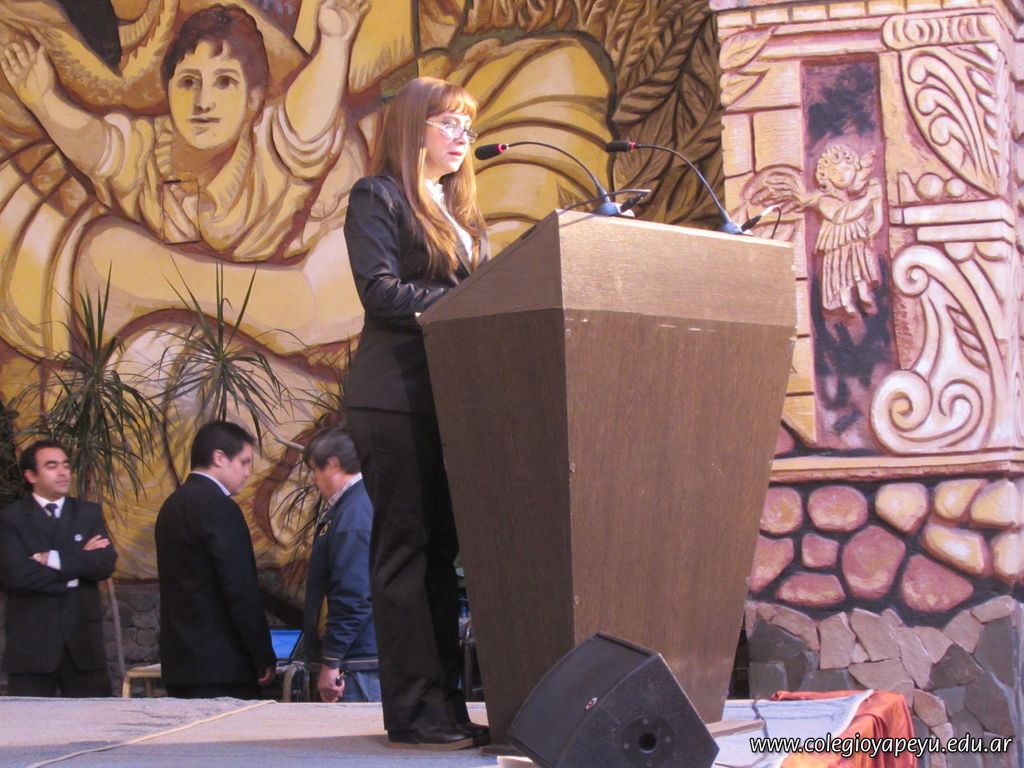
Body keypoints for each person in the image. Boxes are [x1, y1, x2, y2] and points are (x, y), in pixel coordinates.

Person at [342, 76, 490, 750]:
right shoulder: (377, 197)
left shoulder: (459, 213)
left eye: (467, 125)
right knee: (407, 551)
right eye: (448, 123)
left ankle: (445, 705)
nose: (462, 137)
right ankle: (413, 711)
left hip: (448, 397)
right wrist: (468, 304)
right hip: (395, 396)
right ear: (413, 127)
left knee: (438, 556)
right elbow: (379, 291)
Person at [0, 0, 368, 259]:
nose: (203, 102)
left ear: (254, 100)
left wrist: (334, 45)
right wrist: (44, 101)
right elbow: (101, 149)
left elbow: (302, 129)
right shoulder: (152, 146)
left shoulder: (266, 151)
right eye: (188, 82)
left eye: (225, 83)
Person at [154, 420, 275, 699]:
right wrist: (261, 654)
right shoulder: (220, 507)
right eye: (244, 462)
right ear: (219, 457)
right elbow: (239, 588)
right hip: (223, 665)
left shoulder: (171, 506)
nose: (248, 472)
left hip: (180, 663)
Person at [0, 439, 116, 696]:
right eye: (52, 466)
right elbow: (16, 576)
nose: (63, 472)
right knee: (30, 720)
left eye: (65, 465)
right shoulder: (12, 518)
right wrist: (77, 567)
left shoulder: (87, 513)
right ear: (31, 475)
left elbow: (104, 563)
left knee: (96, 717)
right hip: (32, 645)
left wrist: (52, 559)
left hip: (83, 641)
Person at [303, 426, 379, 703]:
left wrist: (332, 659)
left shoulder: (355, 513)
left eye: (315, 469)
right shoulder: (353, 506)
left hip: (356, 663)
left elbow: (353, 593)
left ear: (333, 464)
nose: (313, 479)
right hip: (357, 658)